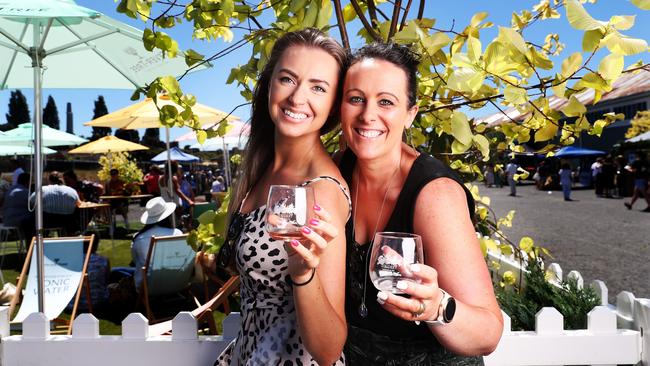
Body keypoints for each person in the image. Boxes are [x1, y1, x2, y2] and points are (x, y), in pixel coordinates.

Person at [338, 43, 503, 364]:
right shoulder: (336, 174)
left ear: (410, 114)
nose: (368, 114)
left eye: (386, 101)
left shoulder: (435, 195)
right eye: (356, 99)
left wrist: (436, 306)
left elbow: (488, 333)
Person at [216, 28, 350, 366]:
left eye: (318, 88)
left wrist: (303, 274)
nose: (297, 98)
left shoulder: (320, 191)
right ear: (269, 85)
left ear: (333, 105)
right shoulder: (261, 168)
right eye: (288, 79)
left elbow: (328, 349)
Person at [131, 197, 182, 291]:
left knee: (117, 271)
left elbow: (135, 261)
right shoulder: (177, 233)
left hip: (149, 286)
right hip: (179, 281)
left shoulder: (139, 238)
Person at [2, 172, 34, 240]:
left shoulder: (10, 190)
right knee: (35, 222)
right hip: (18, 221)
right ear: (28, 181)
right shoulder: (25, 192)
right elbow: (33, 206)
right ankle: (31, 245)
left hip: (6, 220)